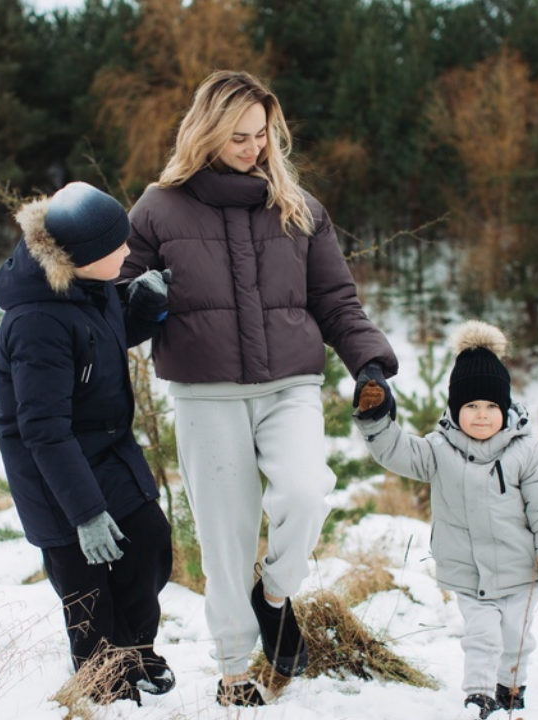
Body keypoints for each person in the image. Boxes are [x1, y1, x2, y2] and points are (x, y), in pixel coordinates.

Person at [120, 70, 399, 707]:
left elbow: (335, 300)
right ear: (208, 132)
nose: (256, 149)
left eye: (264, 135)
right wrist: (143, 304)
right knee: (227, 535)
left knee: (306, 492)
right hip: (205, 394)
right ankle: (233, 671)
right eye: (241, 137)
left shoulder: (298, 207)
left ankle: (272, 597)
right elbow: (114, 302)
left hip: (290, 386)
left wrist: (369, 364)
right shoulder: (158, 209)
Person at [0, 181, 177, 705]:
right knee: (86, 585)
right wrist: (86, 513)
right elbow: (43, 428)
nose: (127, 253)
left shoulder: (87, 284)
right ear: (83, 255)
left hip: (105, 448)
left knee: (148, 546)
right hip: (53, 470)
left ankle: (135, 650)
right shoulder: (35, 321)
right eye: (116, 247)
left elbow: (98, 340)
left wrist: (143, 308)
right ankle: (104, 683)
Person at [353, 320, 538, 720]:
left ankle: (511, 689)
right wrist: (376, 419)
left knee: (517, 639)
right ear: (456, 408)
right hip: (469, 572)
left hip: (519, 570)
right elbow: (396, 452)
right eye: (471, 406)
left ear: (505, 407)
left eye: (491, 406)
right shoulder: (439, 449)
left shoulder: (531, 454)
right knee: (482, 636)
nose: (481, 415)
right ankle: (479, 695)